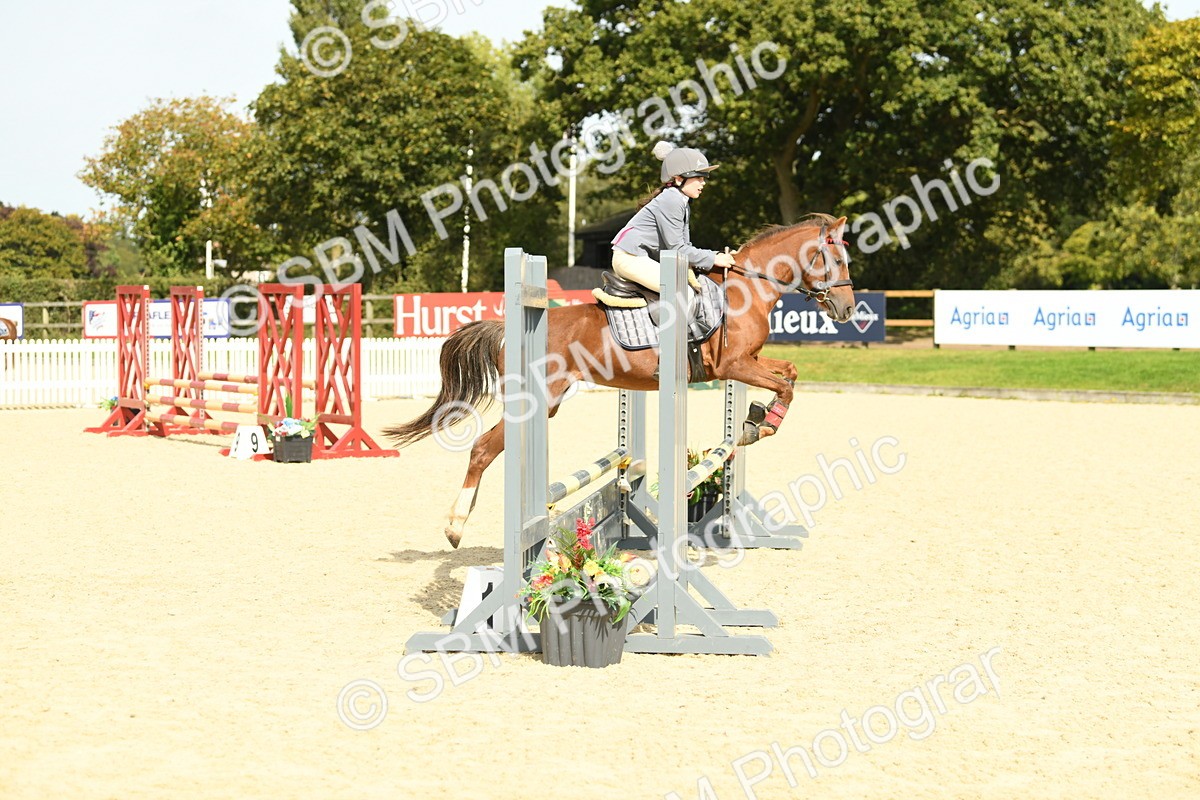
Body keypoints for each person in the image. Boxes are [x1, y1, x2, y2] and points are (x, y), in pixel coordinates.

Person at [610, 141, 737, 294]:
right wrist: (714, 258)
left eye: (705, 178)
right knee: (680, 290)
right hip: (630, 258)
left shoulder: (682, 201)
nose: (703, 183)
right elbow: (677, 250)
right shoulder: (672, 199)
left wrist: (717, 255)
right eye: (698, 177)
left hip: (637, 257)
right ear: (678, 179)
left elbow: (686, 245)